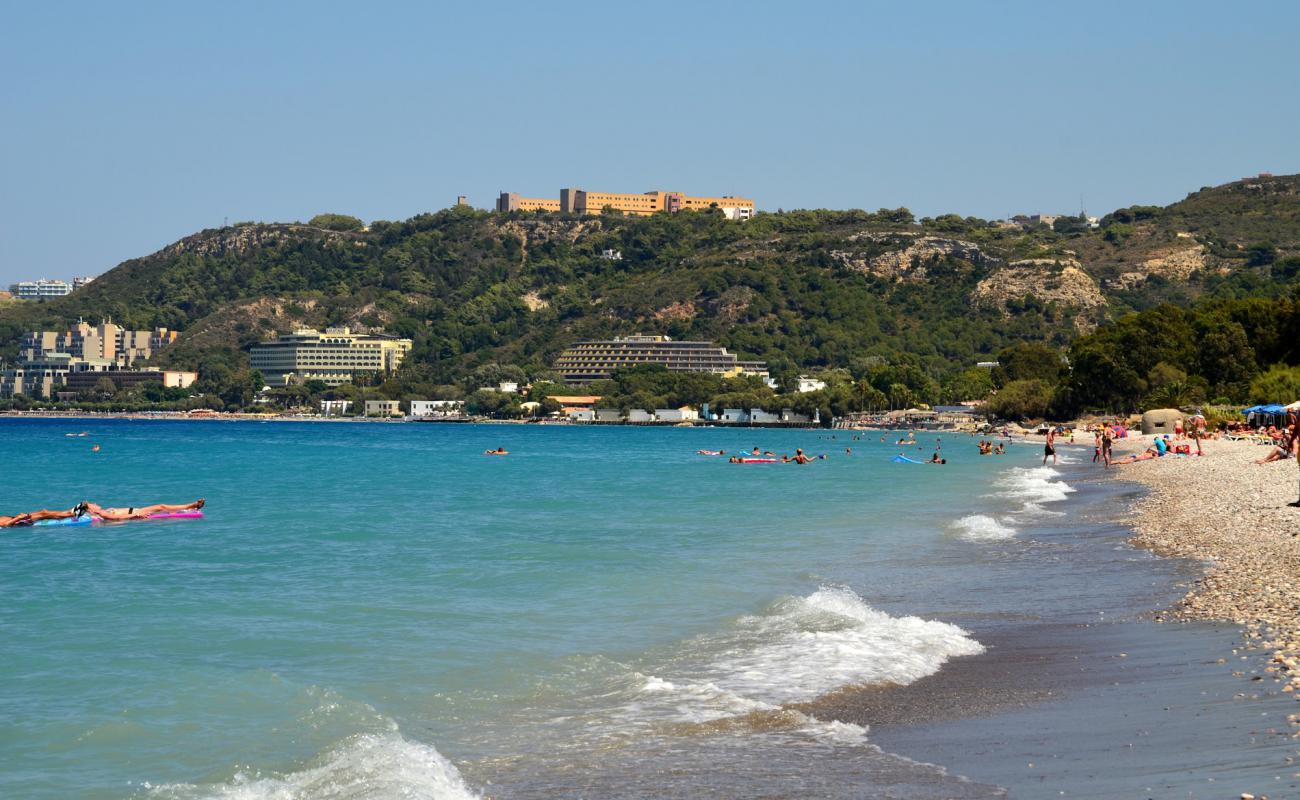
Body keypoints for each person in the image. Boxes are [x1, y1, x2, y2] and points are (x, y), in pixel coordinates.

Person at [84, 499, 205, 522]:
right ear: (90, 509)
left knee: (162, 507)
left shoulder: (100, 513)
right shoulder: (101, 513)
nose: (95, 503)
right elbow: (117, 518)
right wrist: (135, 515)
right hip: (135, 514)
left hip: (136, 512)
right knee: (161, 507)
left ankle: (191, 506)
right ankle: (191, 506)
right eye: (92, 504)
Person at [0, 507, 82, 528]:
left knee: (43, 512)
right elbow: (5, 524)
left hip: (21, 518)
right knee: (43, 514)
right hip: (21, 521)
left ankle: (69, 512)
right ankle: (72, 514)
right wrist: (19, 517)